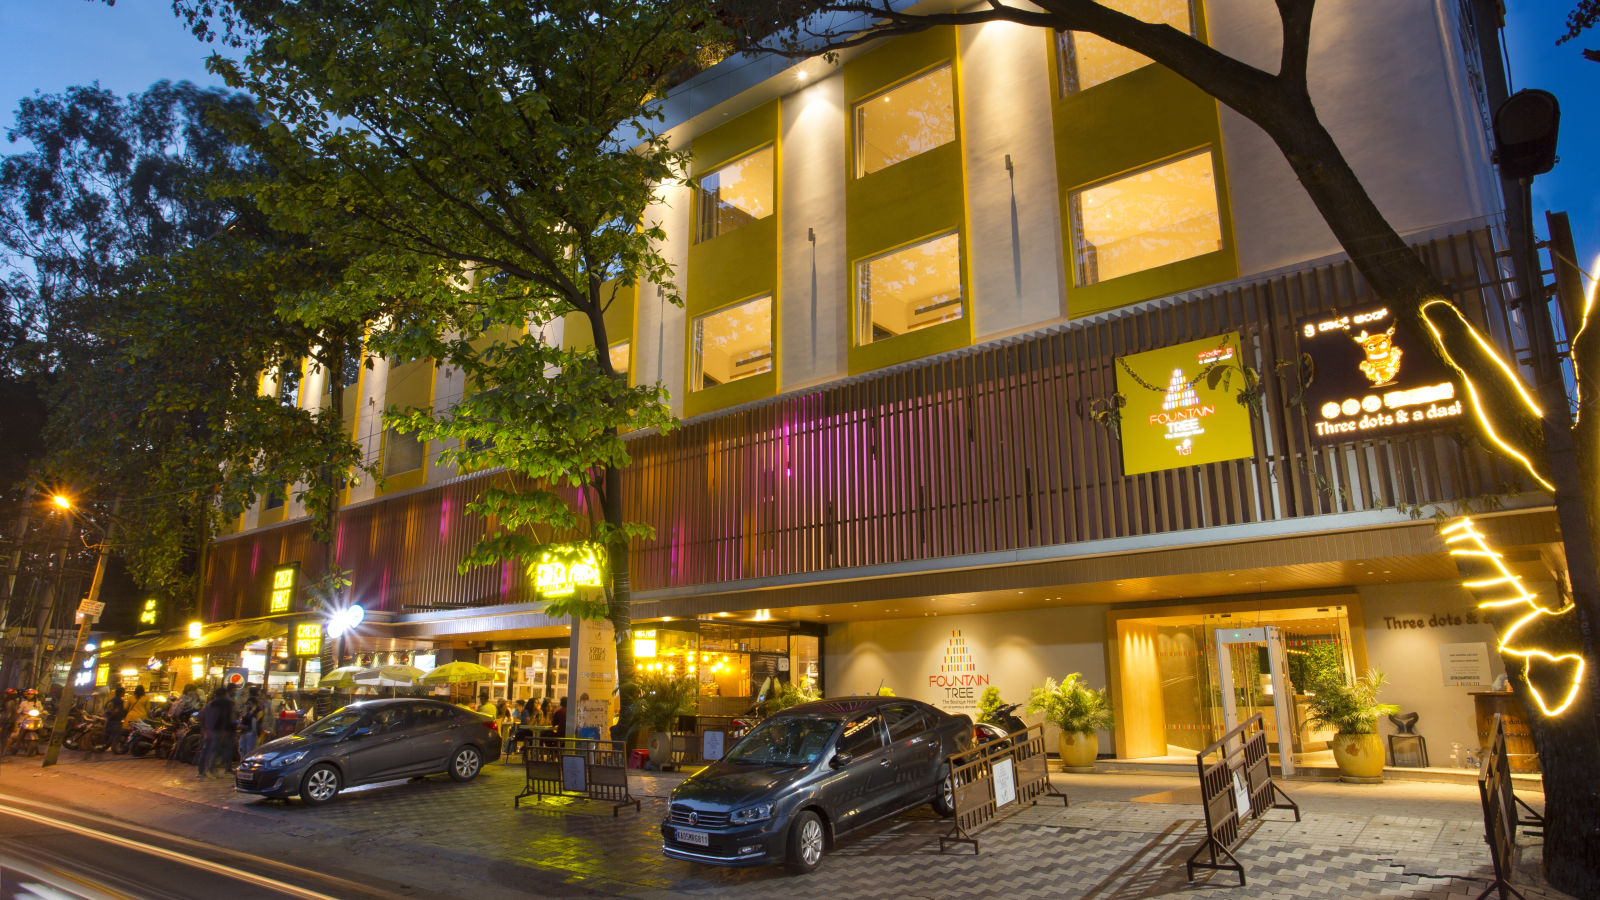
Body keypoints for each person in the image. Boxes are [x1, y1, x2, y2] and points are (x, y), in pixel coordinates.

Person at [196, 686, 237, 778]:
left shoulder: (210, 704)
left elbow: (201, 716)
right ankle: (210, 770)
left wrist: (204, 729)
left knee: (206, 751)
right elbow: (225, 719)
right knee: (214, 751)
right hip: (217, 731)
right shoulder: (224, 704)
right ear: (224, 694)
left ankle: (202, 771)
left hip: (208, 730)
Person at [237, 687, 266, 759]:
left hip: (252, 734)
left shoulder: (258, 712)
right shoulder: (247, 711)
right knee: (243, 750)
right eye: (248, 704)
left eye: (250, 704)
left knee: (249, 751)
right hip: (245, 733)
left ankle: (247, 764)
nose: (249, 706)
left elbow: (258, 724)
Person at [100, 686, 127, 753]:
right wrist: (114, 715)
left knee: (111, 735)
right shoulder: (119, 701)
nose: (124, 694)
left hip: (109, 720)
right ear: (121, 693)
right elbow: (116, 710)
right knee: (116, 735)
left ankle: (104, 748)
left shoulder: (110, 700)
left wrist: (107, 716)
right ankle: (115, 749)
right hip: (116, 720)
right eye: (123, 692)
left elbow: (103, 709)